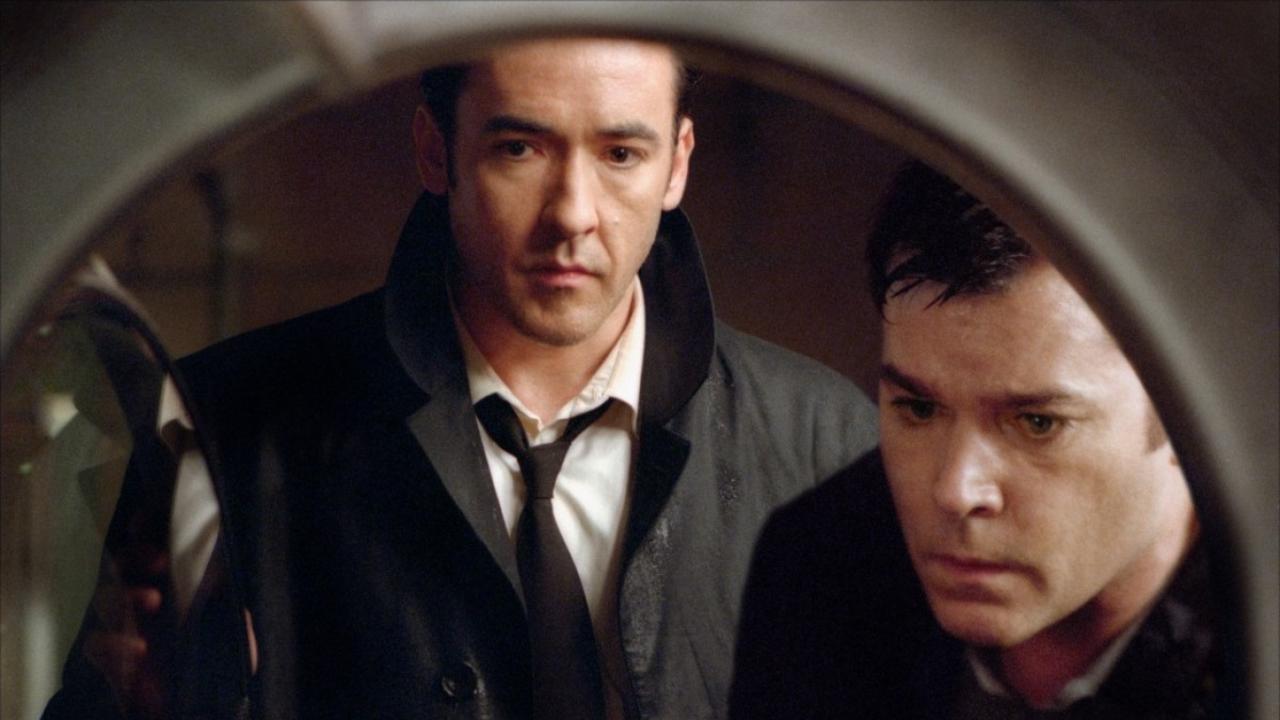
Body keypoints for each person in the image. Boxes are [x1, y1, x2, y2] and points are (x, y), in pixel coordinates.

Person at [146, 37, 875, 720]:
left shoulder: (828, 442)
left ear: (677, 164)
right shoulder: (222, 424)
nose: (572, 215)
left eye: (621, 154)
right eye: (519, 148)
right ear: (435, 150)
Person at [730, 161, 1219, 719]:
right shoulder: (820, 565)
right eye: (919, 409)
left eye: (1038, 424)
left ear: (1190, 416)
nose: (955, 491)